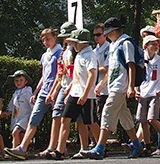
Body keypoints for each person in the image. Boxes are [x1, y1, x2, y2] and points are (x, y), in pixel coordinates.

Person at [82, 16, 143, 159]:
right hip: (113, 85)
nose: (106, 35)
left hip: (120, 85)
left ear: (116, 30)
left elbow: (131, 65)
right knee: (125, 116)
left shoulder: (125, 43)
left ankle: (100, 148)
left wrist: (131, 86)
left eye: (108, 32)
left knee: (107, 112)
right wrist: (102, 84)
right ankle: (137, 144)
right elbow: (111, 68)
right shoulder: (114, 45)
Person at [6, 28, 63, 160]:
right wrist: (36, 92)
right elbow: (44, 76)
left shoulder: (60, 53)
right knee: (34, 118)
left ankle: (56, 147)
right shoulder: (45, 55)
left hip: (56, 90)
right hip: (44, 91)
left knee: (57, 119)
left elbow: (59, 75)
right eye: (43, 40)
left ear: (55, 37)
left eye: (47, 39)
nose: (45, 42)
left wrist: (53, 91)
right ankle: (22, 148)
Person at [44, 29, 99, 160]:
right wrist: (70, 90)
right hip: (75, 93)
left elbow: (92, 75)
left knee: (90, 122)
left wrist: (85, 94)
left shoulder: (89, 55)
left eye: (75, 42)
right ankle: (60, 150)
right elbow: (76, 76)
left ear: (82, 43)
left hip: (87, 95)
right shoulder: (79, 54)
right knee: (65, 119)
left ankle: (100, 146)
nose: (73, 45)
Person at [40, 21, 77, 158]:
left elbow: (77, 74)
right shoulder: (64, 52)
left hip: (75, 87)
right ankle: (56, 147)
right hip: (64, 86)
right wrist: (54, 91)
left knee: (83, 120)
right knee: (58, 115)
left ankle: (92, 145)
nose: (65, 39)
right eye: (64, 37)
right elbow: (60, 75)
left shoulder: (75, 51)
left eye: (68, 36)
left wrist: (70, 88)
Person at [136, 35, 160, 155]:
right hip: (143, 92)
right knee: (143, 121)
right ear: (146, 46)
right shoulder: (140, 60)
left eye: (157, 44)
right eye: (153, 44)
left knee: (152, 118)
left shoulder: (159, 60)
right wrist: (136, 89)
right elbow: (136, 76)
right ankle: (147, 145)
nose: (156, 46)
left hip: (154, 92)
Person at [6, 70, 34, 148]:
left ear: (26, 81)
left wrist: (32, 115)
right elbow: (12, 106)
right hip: (16, 117)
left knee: (15, 132)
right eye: (16, 81)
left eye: (21, 80)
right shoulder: (15, 93)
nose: (18, 82)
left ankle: (14, 150)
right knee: (20, 135)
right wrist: (7, 113)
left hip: (25, 117)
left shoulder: (27, 91)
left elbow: (32, 104)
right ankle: (22, 151)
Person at [93, 23, 110, 125]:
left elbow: (107, 68)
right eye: (94, 35)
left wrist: (93, 70)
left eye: (98, 34)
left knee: (102, 114)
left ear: (105, 34)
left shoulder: (109, 49)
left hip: (104, 88)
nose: (96, 37)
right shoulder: (94, 50)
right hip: (95, 88)